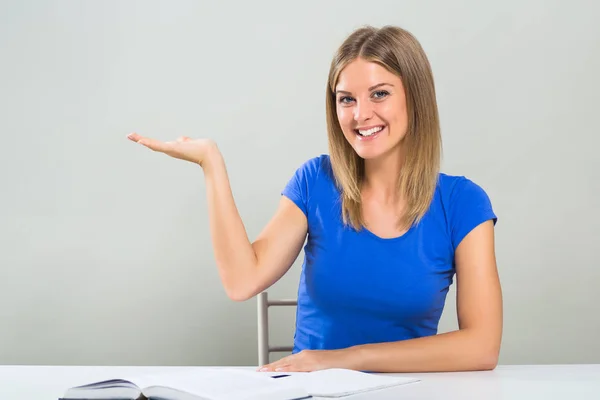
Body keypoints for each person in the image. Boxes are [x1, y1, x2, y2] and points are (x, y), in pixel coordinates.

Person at [126, 24, 502, 374]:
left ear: (415, 98)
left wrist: (347, 359)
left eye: (380, 94)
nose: (360, 114)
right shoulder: (315, 182)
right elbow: (241, 281)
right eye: (346, 99)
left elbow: (482, 347)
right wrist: (211, 164)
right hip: (311, 392)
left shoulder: (462, 203)